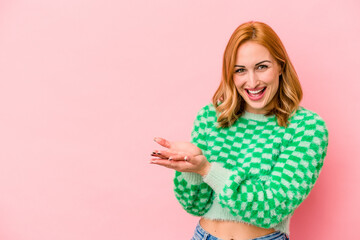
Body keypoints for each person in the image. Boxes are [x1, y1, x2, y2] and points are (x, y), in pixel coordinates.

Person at [150, 21, 329, 240]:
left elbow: (271, 208)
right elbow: (194, 206)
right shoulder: (210, 117)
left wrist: (207, 169)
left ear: (280, 66)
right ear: (230, 74)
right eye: (240, 70)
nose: (252, 82)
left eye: (262, 67)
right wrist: (190, 169)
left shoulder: (306, 127)